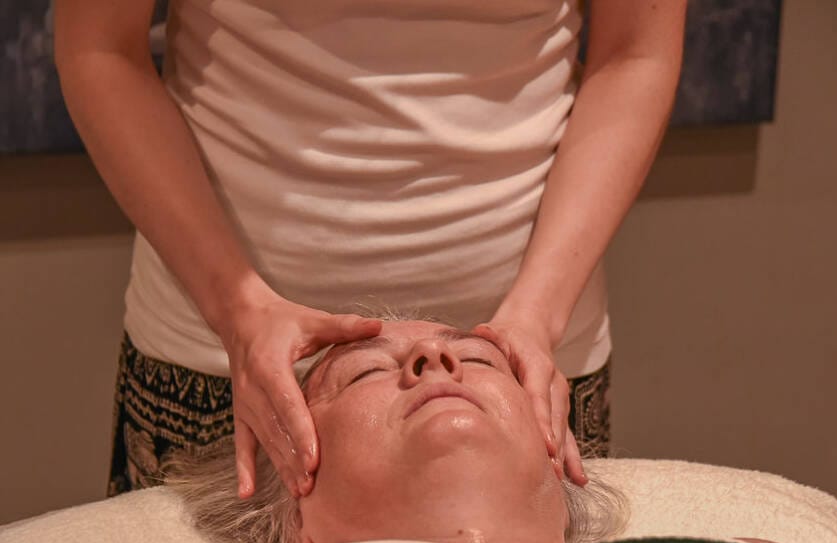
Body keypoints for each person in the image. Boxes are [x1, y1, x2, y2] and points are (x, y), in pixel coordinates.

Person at [54, 0, 689, 500]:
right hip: (226, 351)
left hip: (526, 360)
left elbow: (635, 52)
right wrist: (238, 310)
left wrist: (537, 316)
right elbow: (100, 48)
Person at [75, 320, 837, 543]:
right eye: (363, 372)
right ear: (292, 509)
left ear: (560, 447)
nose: (435, 362)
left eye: (484, 360)